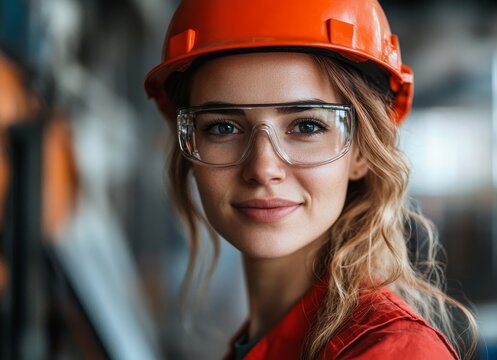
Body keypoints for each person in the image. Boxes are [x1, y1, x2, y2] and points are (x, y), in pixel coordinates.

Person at [144, 0, 477, 359]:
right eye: (223, 127)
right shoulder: (257, 342)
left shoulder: (393, 352)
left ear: (362, 153)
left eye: (307, 126)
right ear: (190, 151)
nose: (262, 167)